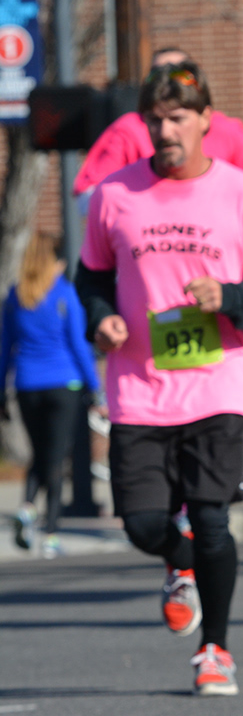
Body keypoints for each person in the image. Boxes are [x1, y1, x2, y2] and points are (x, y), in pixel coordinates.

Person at [75, 61, 243, 695]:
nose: (165, 130)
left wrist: (229, 298)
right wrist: (103, 318)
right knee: (146, 526)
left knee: (211, 520)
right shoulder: (115, 195)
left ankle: (215, 651)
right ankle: (179, 565)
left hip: (218, 383)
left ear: (206, 121)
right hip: (139, 389)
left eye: (177, 118)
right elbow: (90, 277)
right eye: (155, 120)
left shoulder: (241, 195)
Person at [73, 47, 243, 213]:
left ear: (203, 117)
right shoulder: (127, 130)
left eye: (179, 74)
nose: (165, 132)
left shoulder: (227, 129)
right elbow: (89, 198)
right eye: (159, 74)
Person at [2, 233, 101, 558]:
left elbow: (5, 349)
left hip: (27, 385)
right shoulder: (63, 293)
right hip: (65, 384)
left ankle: (28, 508)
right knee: (57, 459)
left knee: (40, 453)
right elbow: (78, 345)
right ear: (55, 261)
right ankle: (52, 534)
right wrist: (96, 388)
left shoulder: (16, 296)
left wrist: (2, 389)